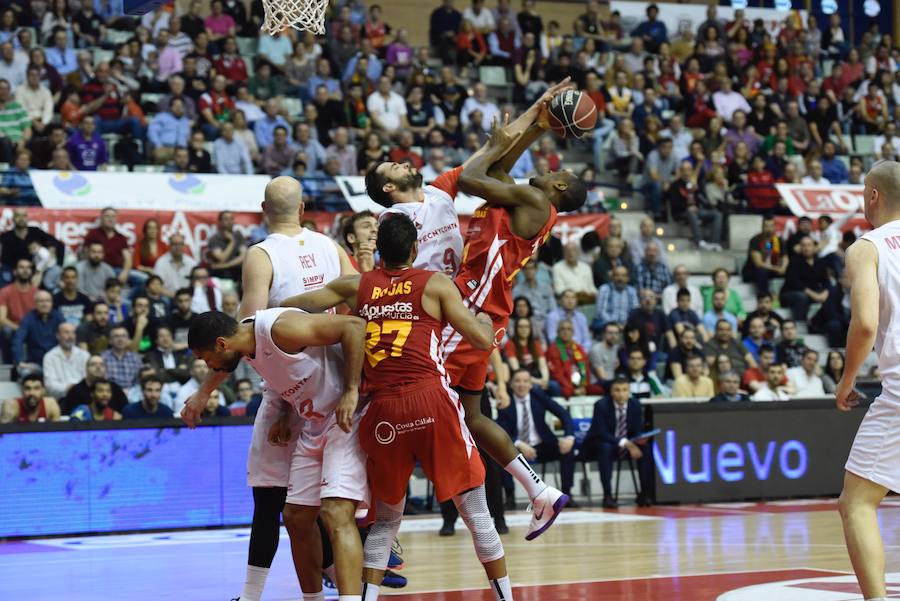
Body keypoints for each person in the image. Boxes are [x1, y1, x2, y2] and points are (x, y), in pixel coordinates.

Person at [281, 212, 515, 600]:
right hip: (432, 402)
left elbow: (294, 305)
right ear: (415, 248)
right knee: (476, 512)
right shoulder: (435, 284)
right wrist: (489, 323)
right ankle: (506, 597)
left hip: (383, 412)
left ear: (379, 250)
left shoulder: (355, 286)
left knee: (387, 521)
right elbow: (478, 339)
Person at [180, 176, 357, 601]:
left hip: (300, 393)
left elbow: (244, 336)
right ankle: (337, 571)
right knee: (308, 509)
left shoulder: (260, 256)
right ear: (303, 209)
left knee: (274, 497)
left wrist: (206, 392)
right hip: (324, 388)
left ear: (264, 210)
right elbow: (361, 298)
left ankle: (259, 592)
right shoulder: (331, 247)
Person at [189, 306, 367, 601]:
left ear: (222, 344)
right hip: (313, 422)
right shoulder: (247, 347)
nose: (210, 367)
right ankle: (314, 598)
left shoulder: (279, 329)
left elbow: (353, 326)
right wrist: (285, 412)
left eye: (207, 359)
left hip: (345, 418)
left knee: (334, 512)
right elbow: (283, 375)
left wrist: (351, 390)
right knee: (295, 516)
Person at [833, 162, 900, 601]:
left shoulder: (868, 246)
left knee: (856, 502)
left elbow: (864, 324)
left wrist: (846, 379)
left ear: (872, 195)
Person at [497, 369, 576, 507]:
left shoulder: (538, 396)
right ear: (511, 384)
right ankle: (510, 496)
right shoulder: (506, 401)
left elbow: (563, 414)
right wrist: (519, 443)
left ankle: (566, 494)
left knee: (567, 450)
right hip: (516, 447)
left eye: (525, 381)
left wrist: (568, 437)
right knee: (501, 454)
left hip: (542, 444)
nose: (521, 385)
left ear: (531, 384)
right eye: (517, 381)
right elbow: (501, 429)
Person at [583, 378, 654, 508]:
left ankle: (645, 495)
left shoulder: (635, 405)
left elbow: (637, 430)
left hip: (626, 445)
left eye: (624, 390)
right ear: (611, 392)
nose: (621, 394)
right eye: (617, 390)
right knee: (605, 448)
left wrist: (640, 440)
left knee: (646, 449)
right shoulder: (601, 405)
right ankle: (608, 496)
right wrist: (627, 443)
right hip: (601, 444)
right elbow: (601, 432)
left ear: (629, 392)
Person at [780, 236, 829, 322]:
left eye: (809, 245)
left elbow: (826, 281)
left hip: (812, 292)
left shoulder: (820, 262)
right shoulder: (794, 261)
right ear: (800, 248)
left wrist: (825, 293)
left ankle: (821, 325)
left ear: (814, 247)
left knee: (833, 293)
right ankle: (800, 325)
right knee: (802, 297)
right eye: (804, 245)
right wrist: (814, 295)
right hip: (790, 293)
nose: (806, 248)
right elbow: (794, 282)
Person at [42, 322, 90, 399]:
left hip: (83, 398)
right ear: (58, 336)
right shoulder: (49, 357)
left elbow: (88, 379)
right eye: (66, 333)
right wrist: (70, 388)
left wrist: (77, 389)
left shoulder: (84, 355)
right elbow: (49, 385)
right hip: (60, 399)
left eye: (73, 333)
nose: (70, 336)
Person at [742, 215, 788, 294]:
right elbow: (759, 263)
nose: (769, 229)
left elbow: (785, 257)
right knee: (762, 271)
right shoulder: (755, 240)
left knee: (791, 270)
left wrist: (783, 268)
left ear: (775, 227)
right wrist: (777, 269)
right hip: (753, 271)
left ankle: (783, 295)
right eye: (766, 226)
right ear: (762, 227)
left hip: (772, 268)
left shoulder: (779, 240)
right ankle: (764, 296)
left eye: (771, 226)